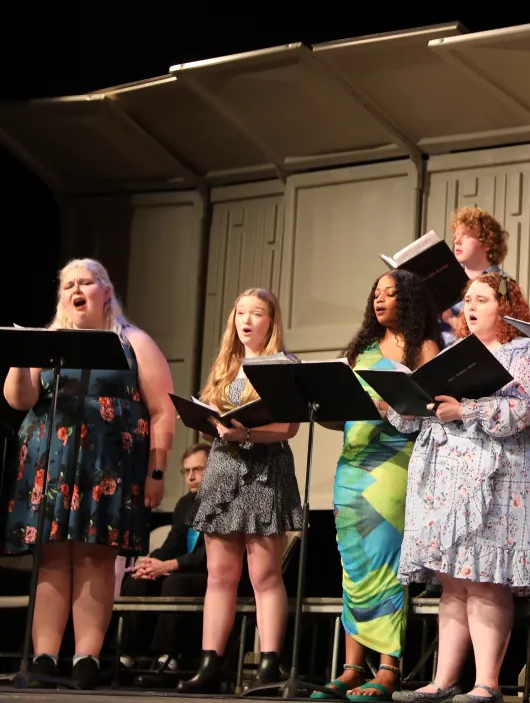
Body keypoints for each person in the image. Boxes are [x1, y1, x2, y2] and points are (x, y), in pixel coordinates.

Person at [3, 258, 175, 690]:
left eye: (86, 282)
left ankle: (86, 658)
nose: (76, 290)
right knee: (53, 559)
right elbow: (19, 401)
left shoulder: (132, 341)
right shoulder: (48, 341)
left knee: (97, 557)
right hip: (52, 465)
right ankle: (44, 656)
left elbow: (161, 409)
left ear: (106, 292)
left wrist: (157, 470)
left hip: (108, 467)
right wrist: (23, 359)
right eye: (68, 285)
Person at [387, 273, 530, 703]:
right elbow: (430, 412)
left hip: (500, 483)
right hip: (449, 485)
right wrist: (397, 401)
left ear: (507, 308)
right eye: (466, 300)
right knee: (454, 584)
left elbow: (526, 407)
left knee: (485, 582)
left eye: (481, 299)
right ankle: (442, 681)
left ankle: (487, 684)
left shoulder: (524, 352)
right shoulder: (456, 356)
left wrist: (467, 408)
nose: (470, 307)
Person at [176, 288, 306, 693]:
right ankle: (210, 664)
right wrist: (206, 421)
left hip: (264, 470)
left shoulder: (283, 365)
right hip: (224, 470)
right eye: (241, 313)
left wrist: (245, 431)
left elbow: (288, 428)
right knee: (219, 574)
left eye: (257, 313)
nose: (247, 320)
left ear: (271, 321)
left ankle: (268, 665)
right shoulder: (225, 364)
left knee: (264, 573)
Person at [321, 270, 441, 701]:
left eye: (390, 294)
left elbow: (430, 407)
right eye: (375, 294)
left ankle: (389, 666)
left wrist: (390, 403)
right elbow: (343, 413)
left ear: (407, 301)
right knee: (353, 565)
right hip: (351, 465)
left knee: (385, 560)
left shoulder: (423, 347)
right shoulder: (362, 352)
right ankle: (353, 666)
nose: (380, 300)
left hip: (392, 462)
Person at [119, 441, 209, 688]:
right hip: (185, 567)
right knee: (139, 580)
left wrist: (168, 565)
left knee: (175, 583)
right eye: (187, 471)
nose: (191, 476)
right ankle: (128, 656)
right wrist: (151, 562)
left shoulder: (224, 503)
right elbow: (174, 543)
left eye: (198, 469)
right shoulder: (185, 504)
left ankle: (166, 658)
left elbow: (208, 556)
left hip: (213, 575)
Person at [441, 207, 509, 346]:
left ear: (487, 243)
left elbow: (505, 326)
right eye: (456, 235)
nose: (457, 241)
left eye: (466, 235)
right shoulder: (444, 277)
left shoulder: (503, 282)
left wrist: (451, 320)